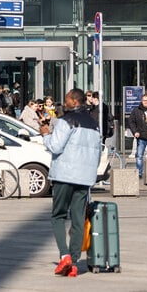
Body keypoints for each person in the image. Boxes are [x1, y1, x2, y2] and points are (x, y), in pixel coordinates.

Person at [40, 89, 103, 277]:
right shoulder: (94, 124)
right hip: (84, 177)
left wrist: (45, 134)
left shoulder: (65, 121)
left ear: (74, 101)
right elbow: (97, 153)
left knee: (58, 216)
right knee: (77, 219)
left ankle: (65, 255)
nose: (64, 101)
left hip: (64, 175)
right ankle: (74, 263)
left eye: (67, 98)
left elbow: (55, 146)